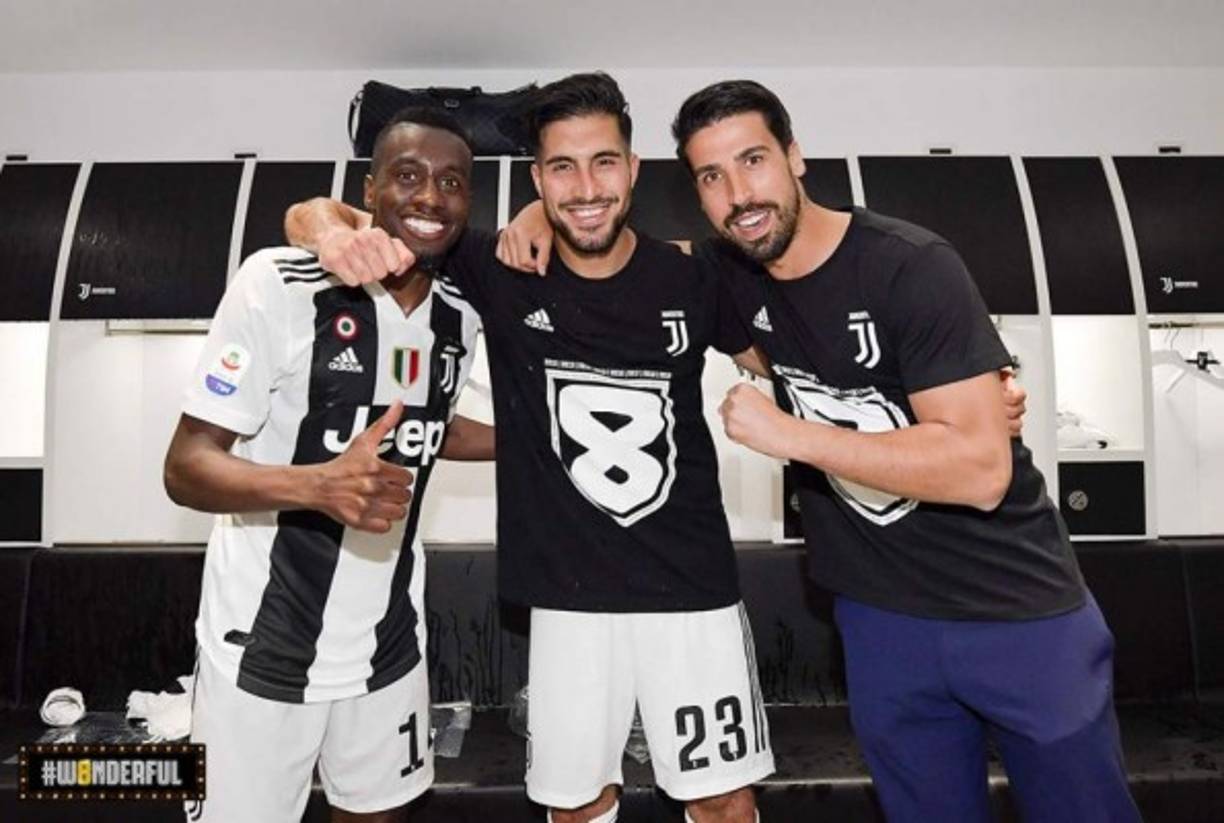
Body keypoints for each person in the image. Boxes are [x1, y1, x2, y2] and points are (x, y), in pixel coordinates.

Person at [286, 73, 774, 823]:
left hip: (693, 591)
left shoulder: (696, 274)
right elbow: (319, 214)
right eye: (561, 167)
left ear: (634, 169)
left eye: (604, 162)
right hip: (565, 598)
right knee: (576, 806)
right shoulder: (496, 269)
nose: (586, 186)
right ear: (537, 178)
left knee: (723, 802)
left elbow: (792, 369)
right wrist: (331, 237)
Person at [666, 80, 1141, 822]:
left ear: (795, 157)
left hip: (1016, 612)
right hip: (879, 616)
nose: (739, 192)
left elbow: (982, 471)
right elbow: (626, 261)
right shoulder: (732, 270)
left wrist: (790, 434)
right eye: (711, 176)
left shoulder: (908, 264)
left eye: (754, 159)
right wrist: (534, 214)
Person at [163, 106, 491, 823]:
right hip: (261, 643)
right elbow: (186, 466)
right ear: (369, 192)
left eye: (452, 182)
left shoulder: (460, 319)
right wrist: (315, 485)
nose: (430, 197)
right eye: (408, 176)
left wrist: (537, 433)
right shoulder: (276, 283)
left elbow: (435, 421)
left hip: (389, 642)